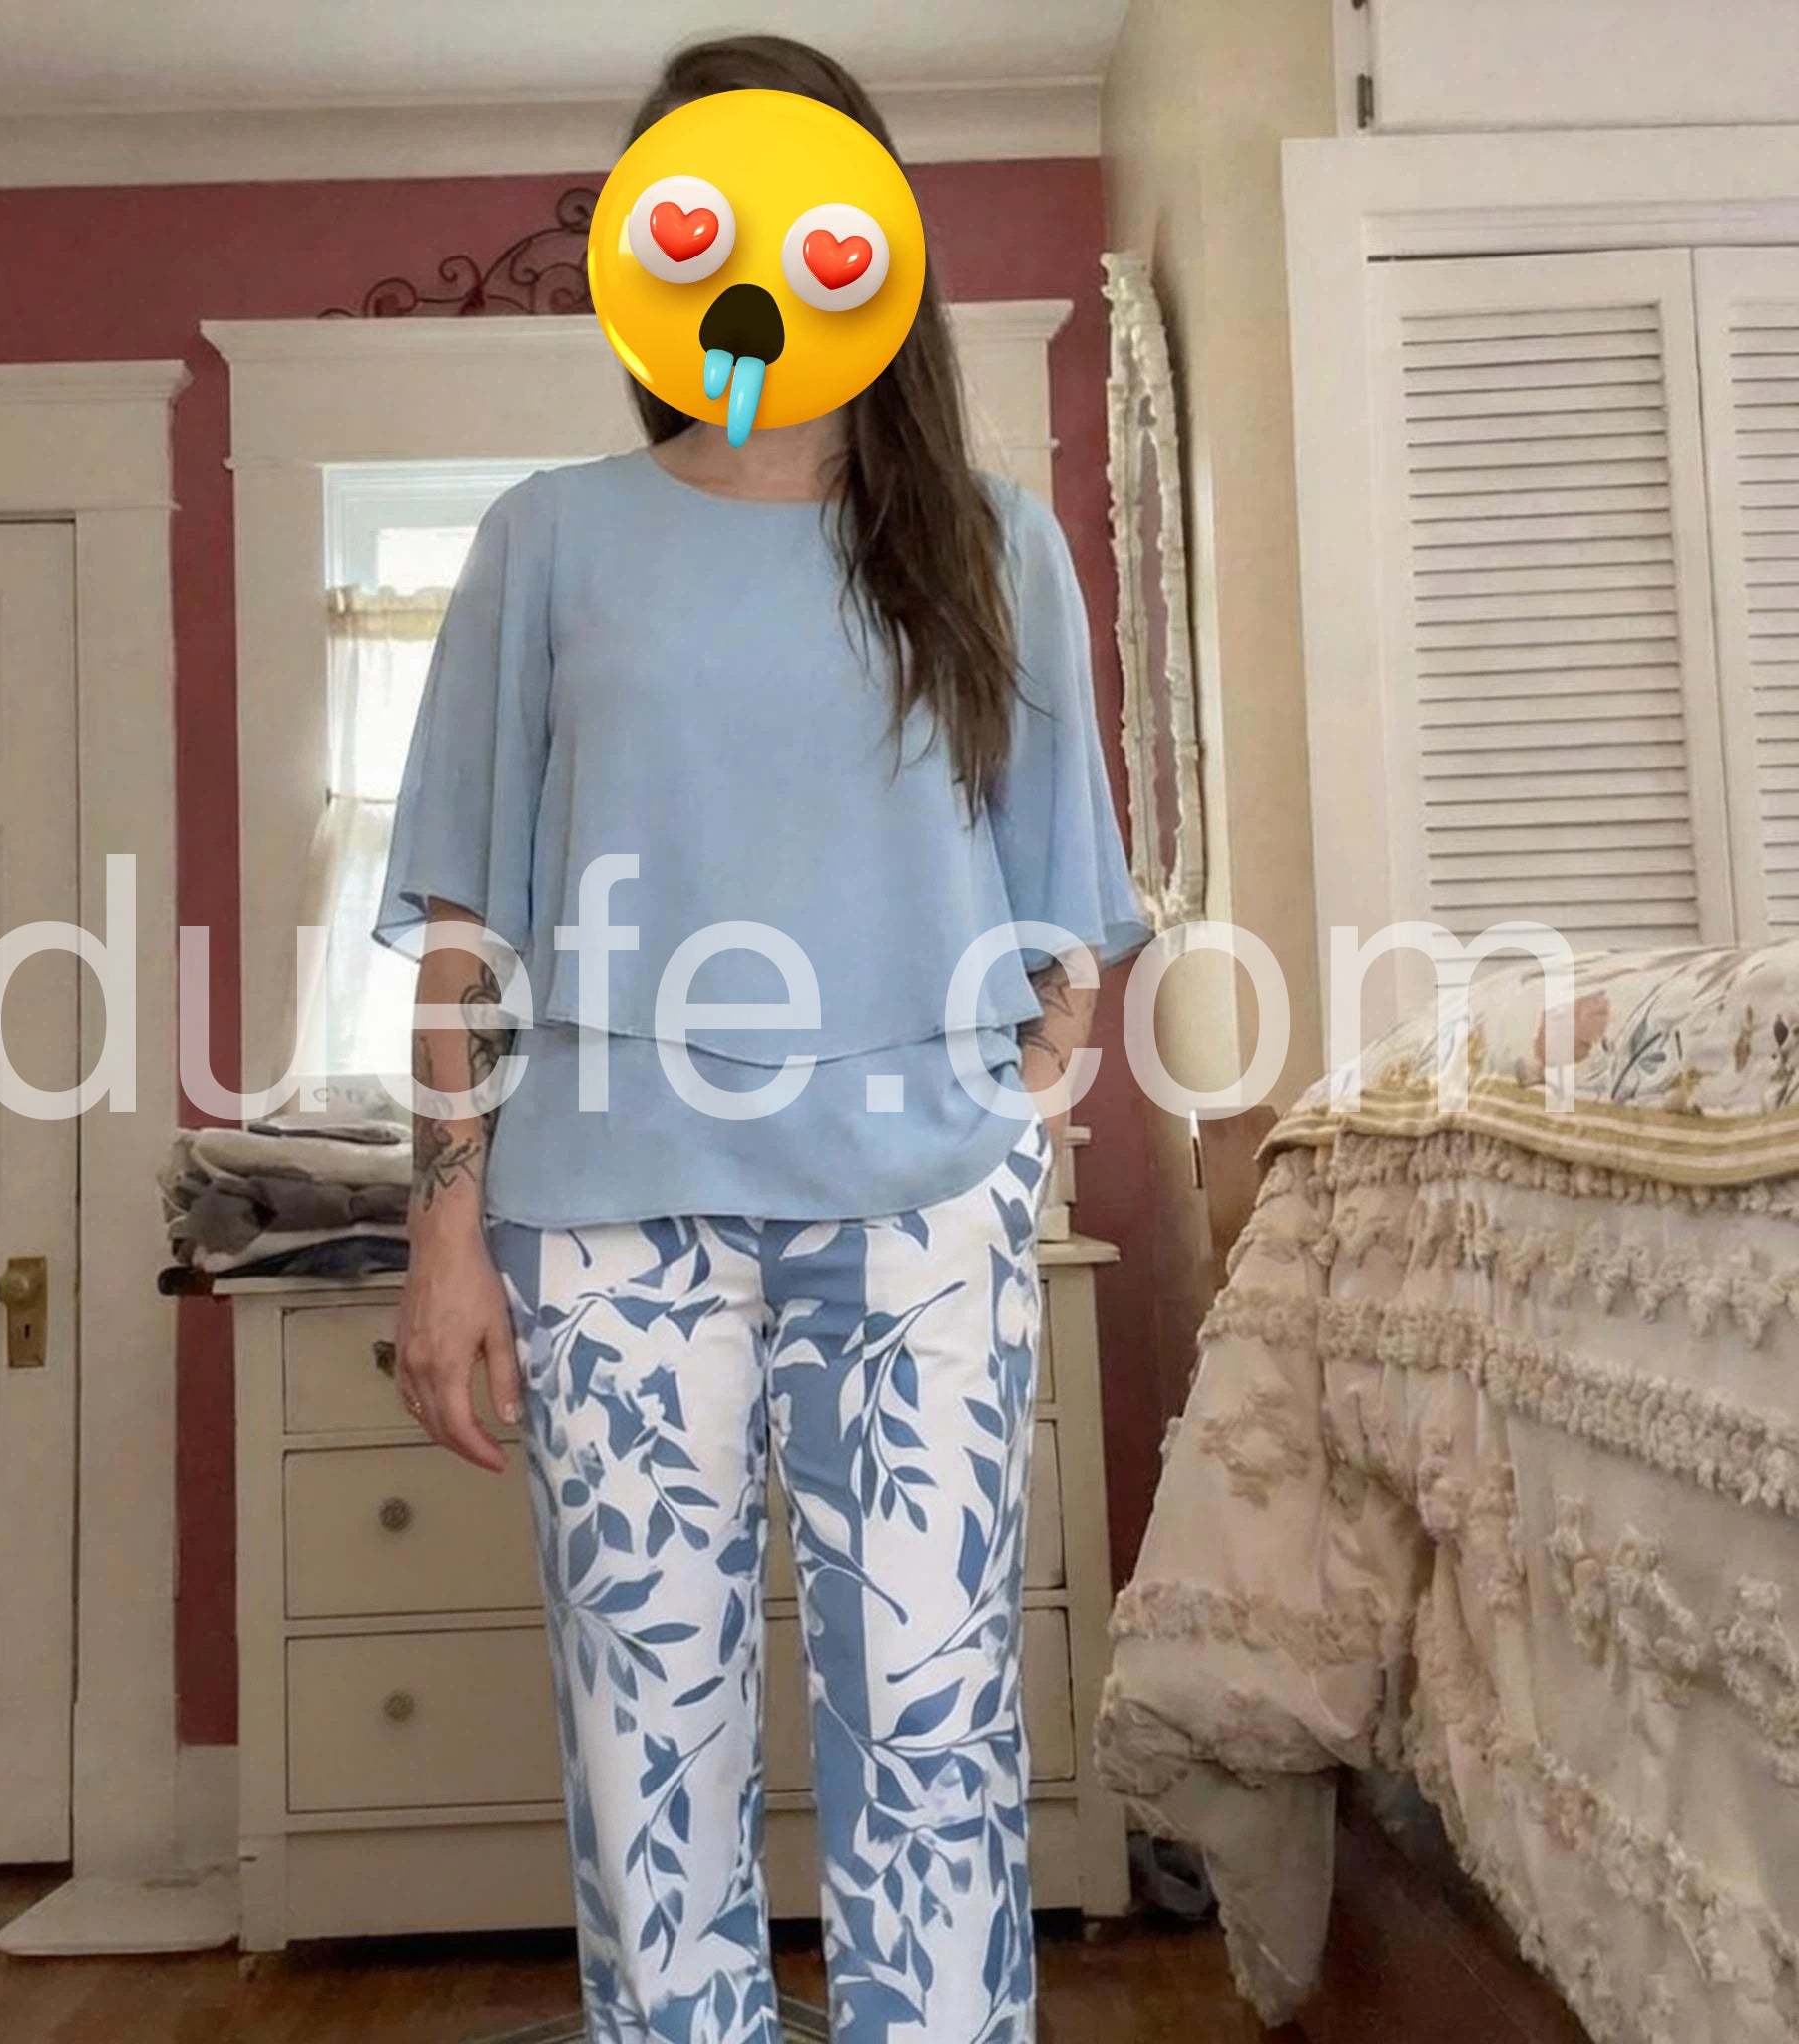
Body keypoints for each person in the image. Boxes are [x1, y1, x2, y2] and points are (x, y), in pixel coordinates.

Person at [375, 34, 1148, 2043]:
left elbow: (1066, 928)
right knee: (648, 1734)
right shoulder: (548, 540)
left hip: (917, 1213)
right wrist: (445, 1230)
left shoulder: (991, 543)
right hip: (607, 1215)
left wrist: (1000, 1133)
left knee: (932, 1718)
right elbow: (465, 930)